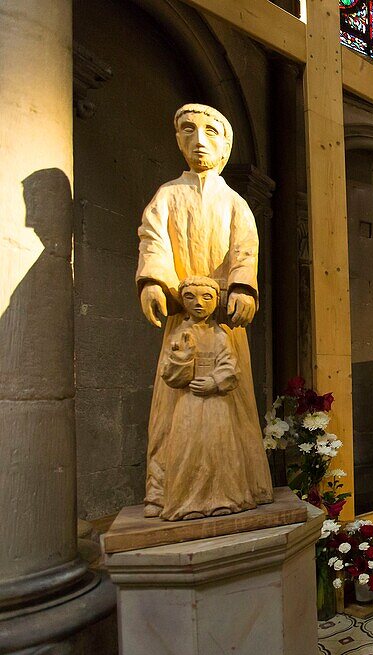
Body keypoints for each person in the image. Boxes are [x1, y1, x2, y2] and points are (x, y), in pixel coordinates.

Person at [136, 103, 272, 519]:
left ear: (225, 145)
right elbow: (152, 238)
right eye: (189, 131)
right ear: (178, 139)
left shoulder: (233, 202)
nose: (199, 141)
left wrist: (243, 288)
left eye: (211, 132)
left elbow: (245, 249)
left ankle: (245, 481)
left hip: (226, 324)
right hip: (182, 321)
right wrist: (154, 282)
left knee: (235, 406)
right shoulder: (167, 196)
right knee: (170, 411)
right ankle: (163, 489)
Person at [158, 277, 256, 520]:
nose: (199, 303)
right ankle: (186, 503)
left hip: (217, 403)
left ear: (216, 301)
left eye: (207, 297)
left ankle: (226, 498)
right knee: (188, 451)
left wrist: (214, 381)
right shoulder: (179, 335)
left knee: (220, 450)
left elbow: (230, 367)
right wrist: (183, 359)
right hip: (189, 403)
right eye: (190, 297)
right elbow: (169, 374)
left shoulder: (220, 335)